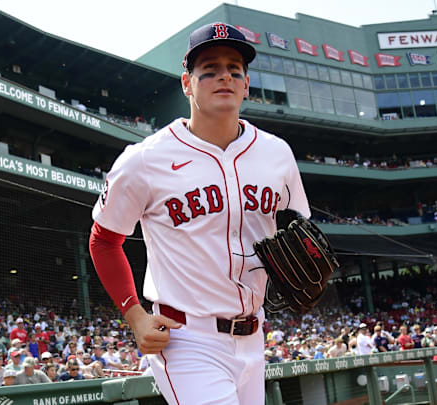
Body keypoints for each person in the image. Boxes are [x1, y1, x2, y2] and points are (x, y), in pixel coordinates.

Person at [89, 22, 310, 405]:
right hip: (186, 338)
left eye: (234, 68)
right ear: (187, 84)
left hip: (255, 336)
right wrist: (135, 315)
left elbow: (298, 231)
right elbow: (104, 239)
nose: (224, 75)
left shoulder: (278, 154)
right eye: (208, 68)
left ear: (245, 84)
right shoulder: (145, 159)